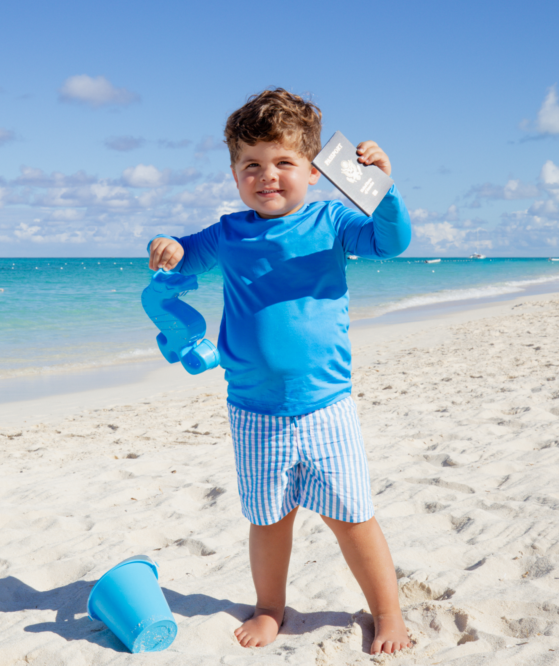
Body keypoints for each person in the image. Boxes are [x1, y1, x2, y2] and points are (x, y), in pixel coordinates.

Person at [147, 89, 413, 655]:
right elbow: (184, 257)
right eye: (252, 166)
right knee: (269, 519)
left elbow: (390, 243)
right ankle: (271, 607)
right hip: (252, 408)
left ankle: (387, 612)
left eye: (283, 163)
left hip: (326, 405)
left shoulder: (333, 221)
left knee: (352, 516)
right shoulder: (228, 233)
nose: (267, 176)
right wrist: (165, 247)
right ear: (235, 173)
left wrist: (384, 192)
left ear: (314, 170)